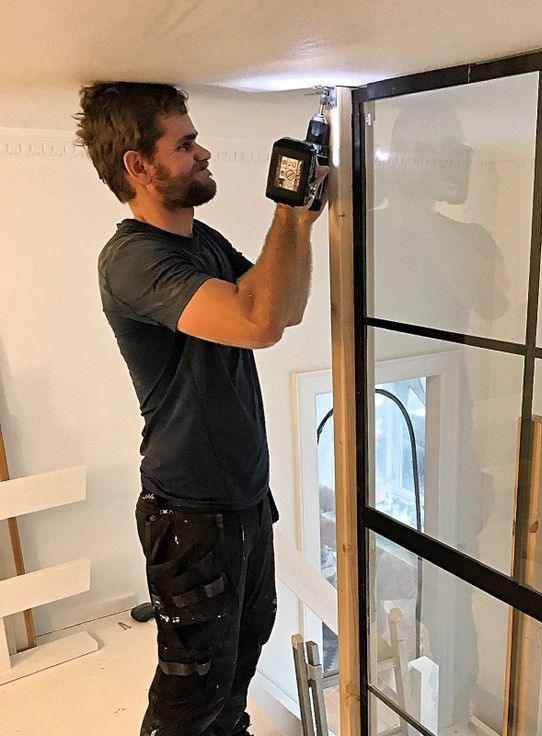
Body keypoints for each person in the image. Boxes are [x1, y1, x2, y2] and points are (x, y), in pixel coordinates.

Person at [74, 82, 327, 736]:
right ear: (138, 166)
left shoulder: (203, 241)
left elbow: (285, 305)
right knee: (191, 690)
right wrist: (283, 210)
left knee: (241, 654)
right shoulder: (132, 259)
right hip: (189, 513)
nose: (204, 151)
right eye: (185, 145)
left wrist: (298, 218)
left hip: (242, 497)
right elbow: (259, 318)